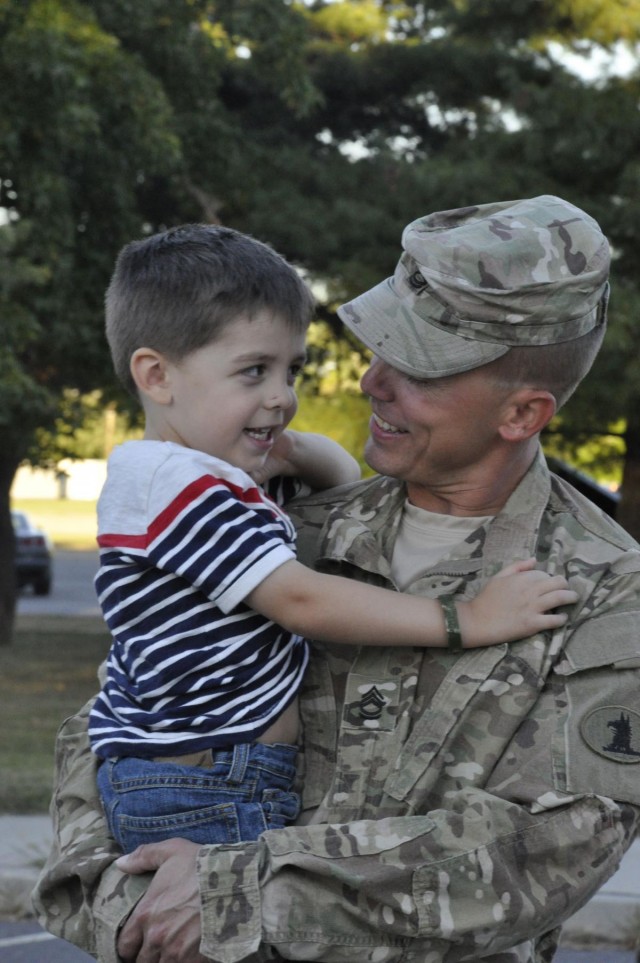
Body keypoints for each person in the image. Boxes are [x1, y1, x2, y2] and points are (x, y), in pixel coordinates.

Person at [34, 195, 640, 963]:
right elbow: (121, 706)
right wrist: (122, 895)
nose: (369, 379)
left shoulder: (605, 590)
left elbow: (543, 851)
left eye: (416, 365)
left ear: (521, 413)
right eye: (379, 345)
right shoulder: (294, 527)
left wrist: (232, 891)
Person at [89, 223, 568, 856]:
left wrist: (283, 449)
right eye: (253, 372)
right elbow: (302, 601)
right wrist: (466, 620)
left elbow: (343, 479)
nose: (282, 398)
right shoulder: (178, 488)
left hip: (211, 779)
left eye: (292, 370)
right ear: (156, 376)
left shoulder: (205, 480)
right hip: (204, 789)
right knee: (227, 944)